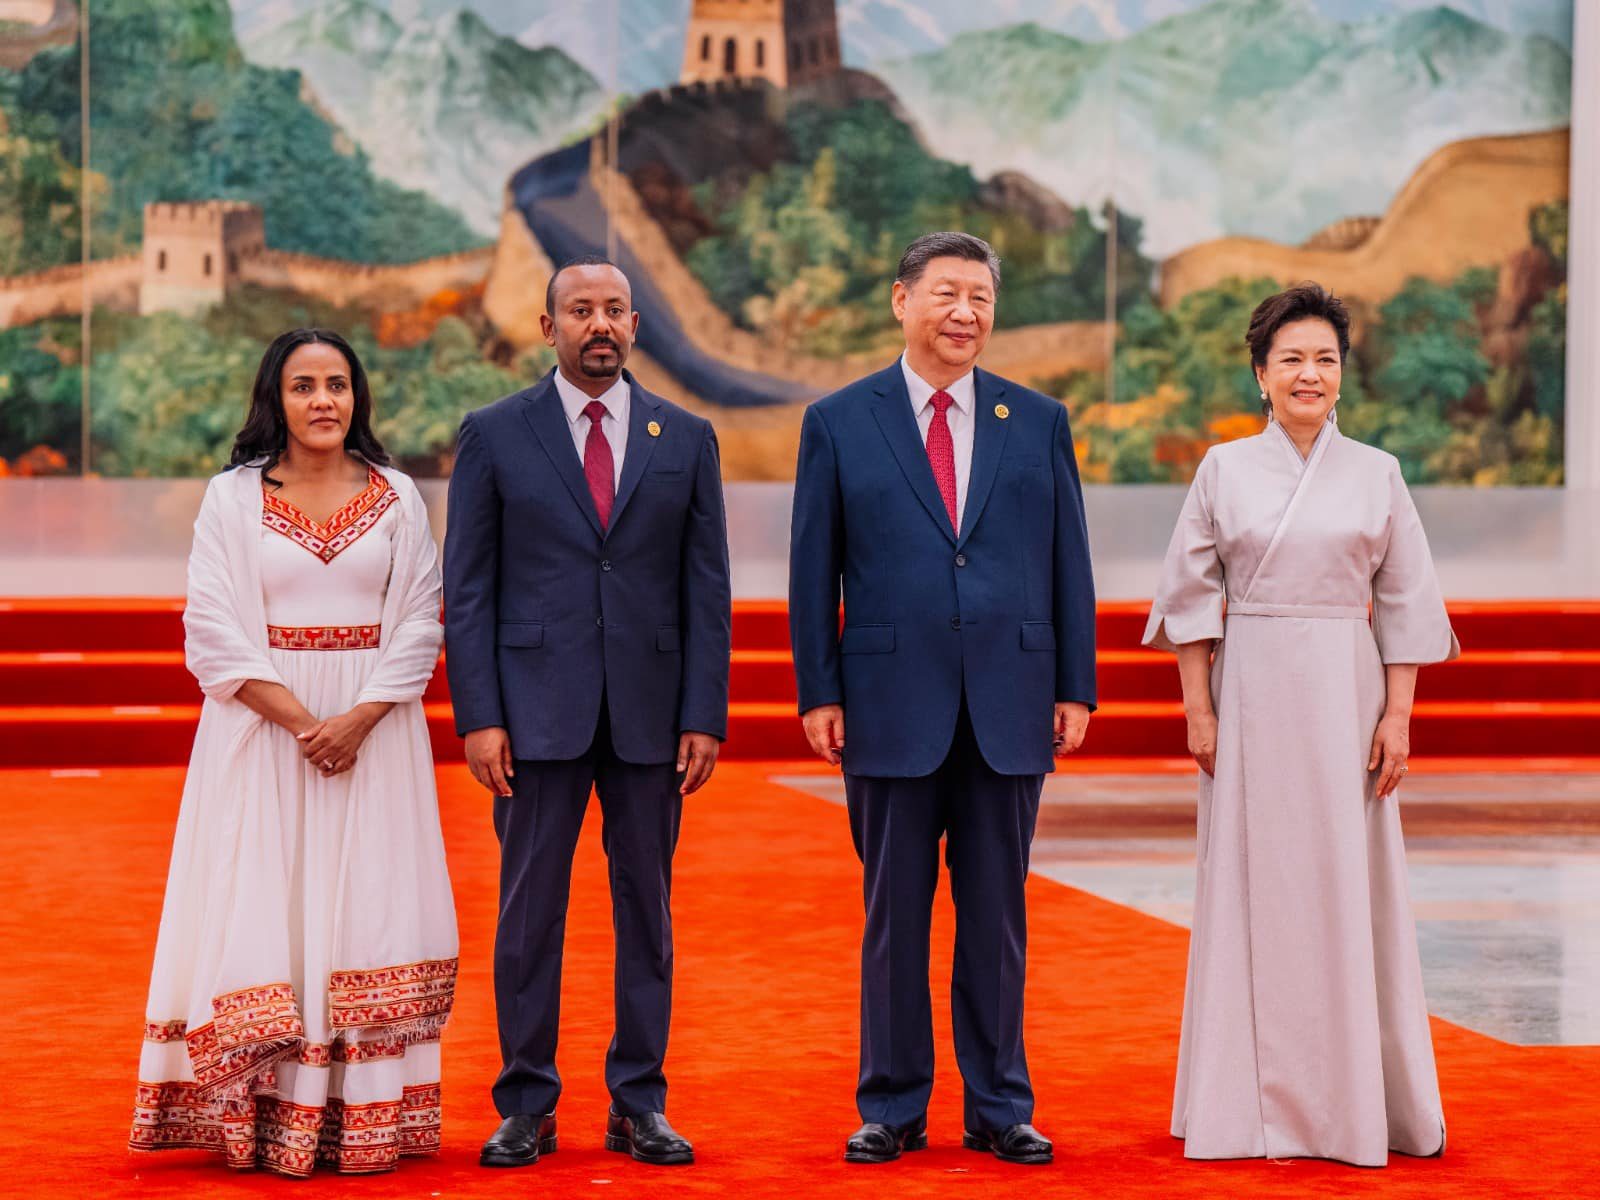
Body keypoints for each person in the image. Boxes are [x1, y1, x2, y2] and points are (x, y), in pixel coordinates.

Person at [789, 232, 1097, 1166]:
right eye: (946, 294)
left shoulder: (1035, 419)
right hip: (887, 701)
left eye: (981, 298)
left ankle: (1002, 1105)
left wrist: (1074, 684)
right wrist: (819, 690)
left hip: (1010, 698)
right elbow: (813, 570)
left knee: (998, 917)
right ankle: (892, 1103)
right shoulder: (840, 420)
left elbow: (1067, 561)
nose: (965, 313)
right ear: (901, 300)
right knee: (894, 915)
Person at [129, 329, 457, 1178]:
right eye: (304, 385)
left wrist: (356, 719)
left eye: (338, 385)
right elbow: (210, 630)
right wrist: (304, 721)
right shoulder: (231, 499)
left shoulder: (397, 496)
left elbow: (422, 617)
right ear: (275, 398)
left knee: (361, 907)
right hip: (263, 738)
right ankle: (258, 1116)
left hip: (373, 738)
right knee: (267, 905)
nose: (323, 402)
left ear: (358, 397)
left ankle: (358, 1116)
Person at [1144, 282, 1458, 1167]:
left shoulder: (1378, 473)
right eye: (1291, 360)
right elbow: (1189, 595)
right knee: (1252, 879)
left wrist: (1397, 714)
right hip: (1251, 694)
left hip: (1346, 693)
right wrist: (1198, 707)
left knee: (1345, 882)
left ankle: (1355, 1104)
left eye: (1325, 359)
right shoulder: (1223, 468)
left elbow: (1405, 599)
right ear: (1260, 375)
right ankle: (1243, 1106)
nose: (1309, 374)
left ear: (1343, 375)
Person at [445, 255, 731, 1168]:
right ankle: (526, 1101)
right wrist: (480, 715)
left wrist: (704, 713)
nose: (598, 324)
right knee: (529, 914)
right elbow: (469, 588)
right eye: (580, 310)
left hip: (652, 715)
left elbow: (707, 590)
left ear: (635, 326)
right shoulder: (494, 434)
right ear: (548, 327)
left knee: (647, 912)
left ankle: (638, 1101)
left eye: (614, 309)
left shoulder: (687, 438)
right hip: (533, 715)